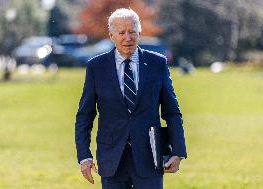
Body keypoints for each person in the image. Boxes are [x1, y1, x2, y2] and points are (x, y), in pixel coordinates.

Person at [75, 8, 187, 189]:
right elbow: (84, 116)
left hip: (149, 159)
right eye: (121, 33)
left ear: (139, 33)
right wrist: (84, 156)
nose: (128, 37)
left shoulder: (157, 64)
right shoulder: (96, 67)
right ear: (111, 35)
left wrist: (178, 151)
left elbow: (172, 111)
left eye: (132, 32)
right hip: (111, 160)